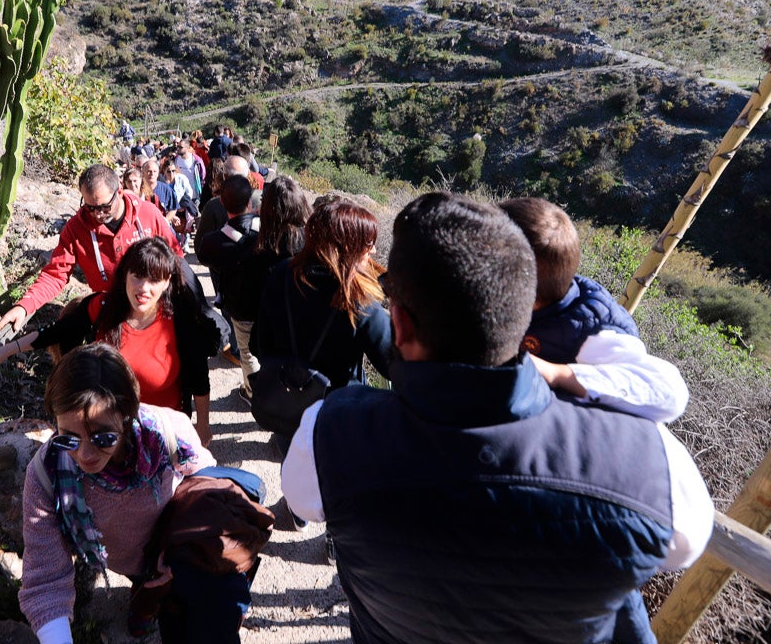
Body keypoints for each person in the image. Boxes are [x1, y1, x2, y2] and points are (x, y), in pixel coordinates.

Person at [283, 192, 714, 644]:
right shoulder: (654, 466)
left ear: (401, 323)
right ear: (521, 318)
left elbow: (301, 500)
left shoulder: (327, 433)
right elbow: (685, 545)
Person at [19, 344, 255, 644]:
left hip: (177, 556)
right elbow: (45, 580)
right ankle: (144, 602)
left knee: (181, 618)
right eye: (68, 438)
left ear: (127, 415)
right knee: (147, 591)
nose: (85, 454)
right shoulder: (45, 476)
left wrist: (178, 548)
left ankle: (151, 605)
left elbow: (206, 486)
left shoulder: (170, 433)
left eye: (102, 437)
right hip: (128, 562)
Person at [0, 239, 217, 445]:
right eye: (137, 277)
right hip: (106, 434)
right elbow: (55, 332)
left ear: (167, 282)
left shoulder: (180, 321)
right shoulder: (104, 308)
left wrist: (202, 427)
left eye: (154, 280)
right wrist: (2, 351)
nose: (144, 288)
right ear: (125, 276)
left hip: (162, 435)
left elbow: (198, 377)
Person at [499, 197, 688, 424]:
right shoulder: (547, 286)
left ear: (528, 295)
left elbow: (668, 392)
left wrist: (557, 374)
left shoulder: (590, 330)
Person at [0, 165, 181, 334]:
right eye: (90, 207)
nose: (98, 214)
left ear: (120, 191)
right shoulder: (76, 229)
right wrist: (25, 306)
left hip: (154, 310)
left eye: (105, 207)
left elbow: (176, 259)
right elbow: (55, 274)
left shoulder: (147, 214)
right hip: (112, 315)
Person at [252, 197, 392, 394]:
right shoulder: (358, 301)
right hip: (337, 411)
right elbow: (397, 367)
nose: (374, 251)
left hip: (289, 399)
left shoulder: (282, 273)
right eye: (368, 243)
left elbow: (258, 344)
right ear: (348, 248)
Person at [197, 175, 263, 397]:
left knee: (247, 351)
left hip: (239, 306)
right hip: (267, 302)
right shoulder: (266, 234)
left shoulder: (213, 242)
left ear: (222, 203)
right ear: (250, 202)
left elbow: (203, 256)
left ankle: (254, 394)